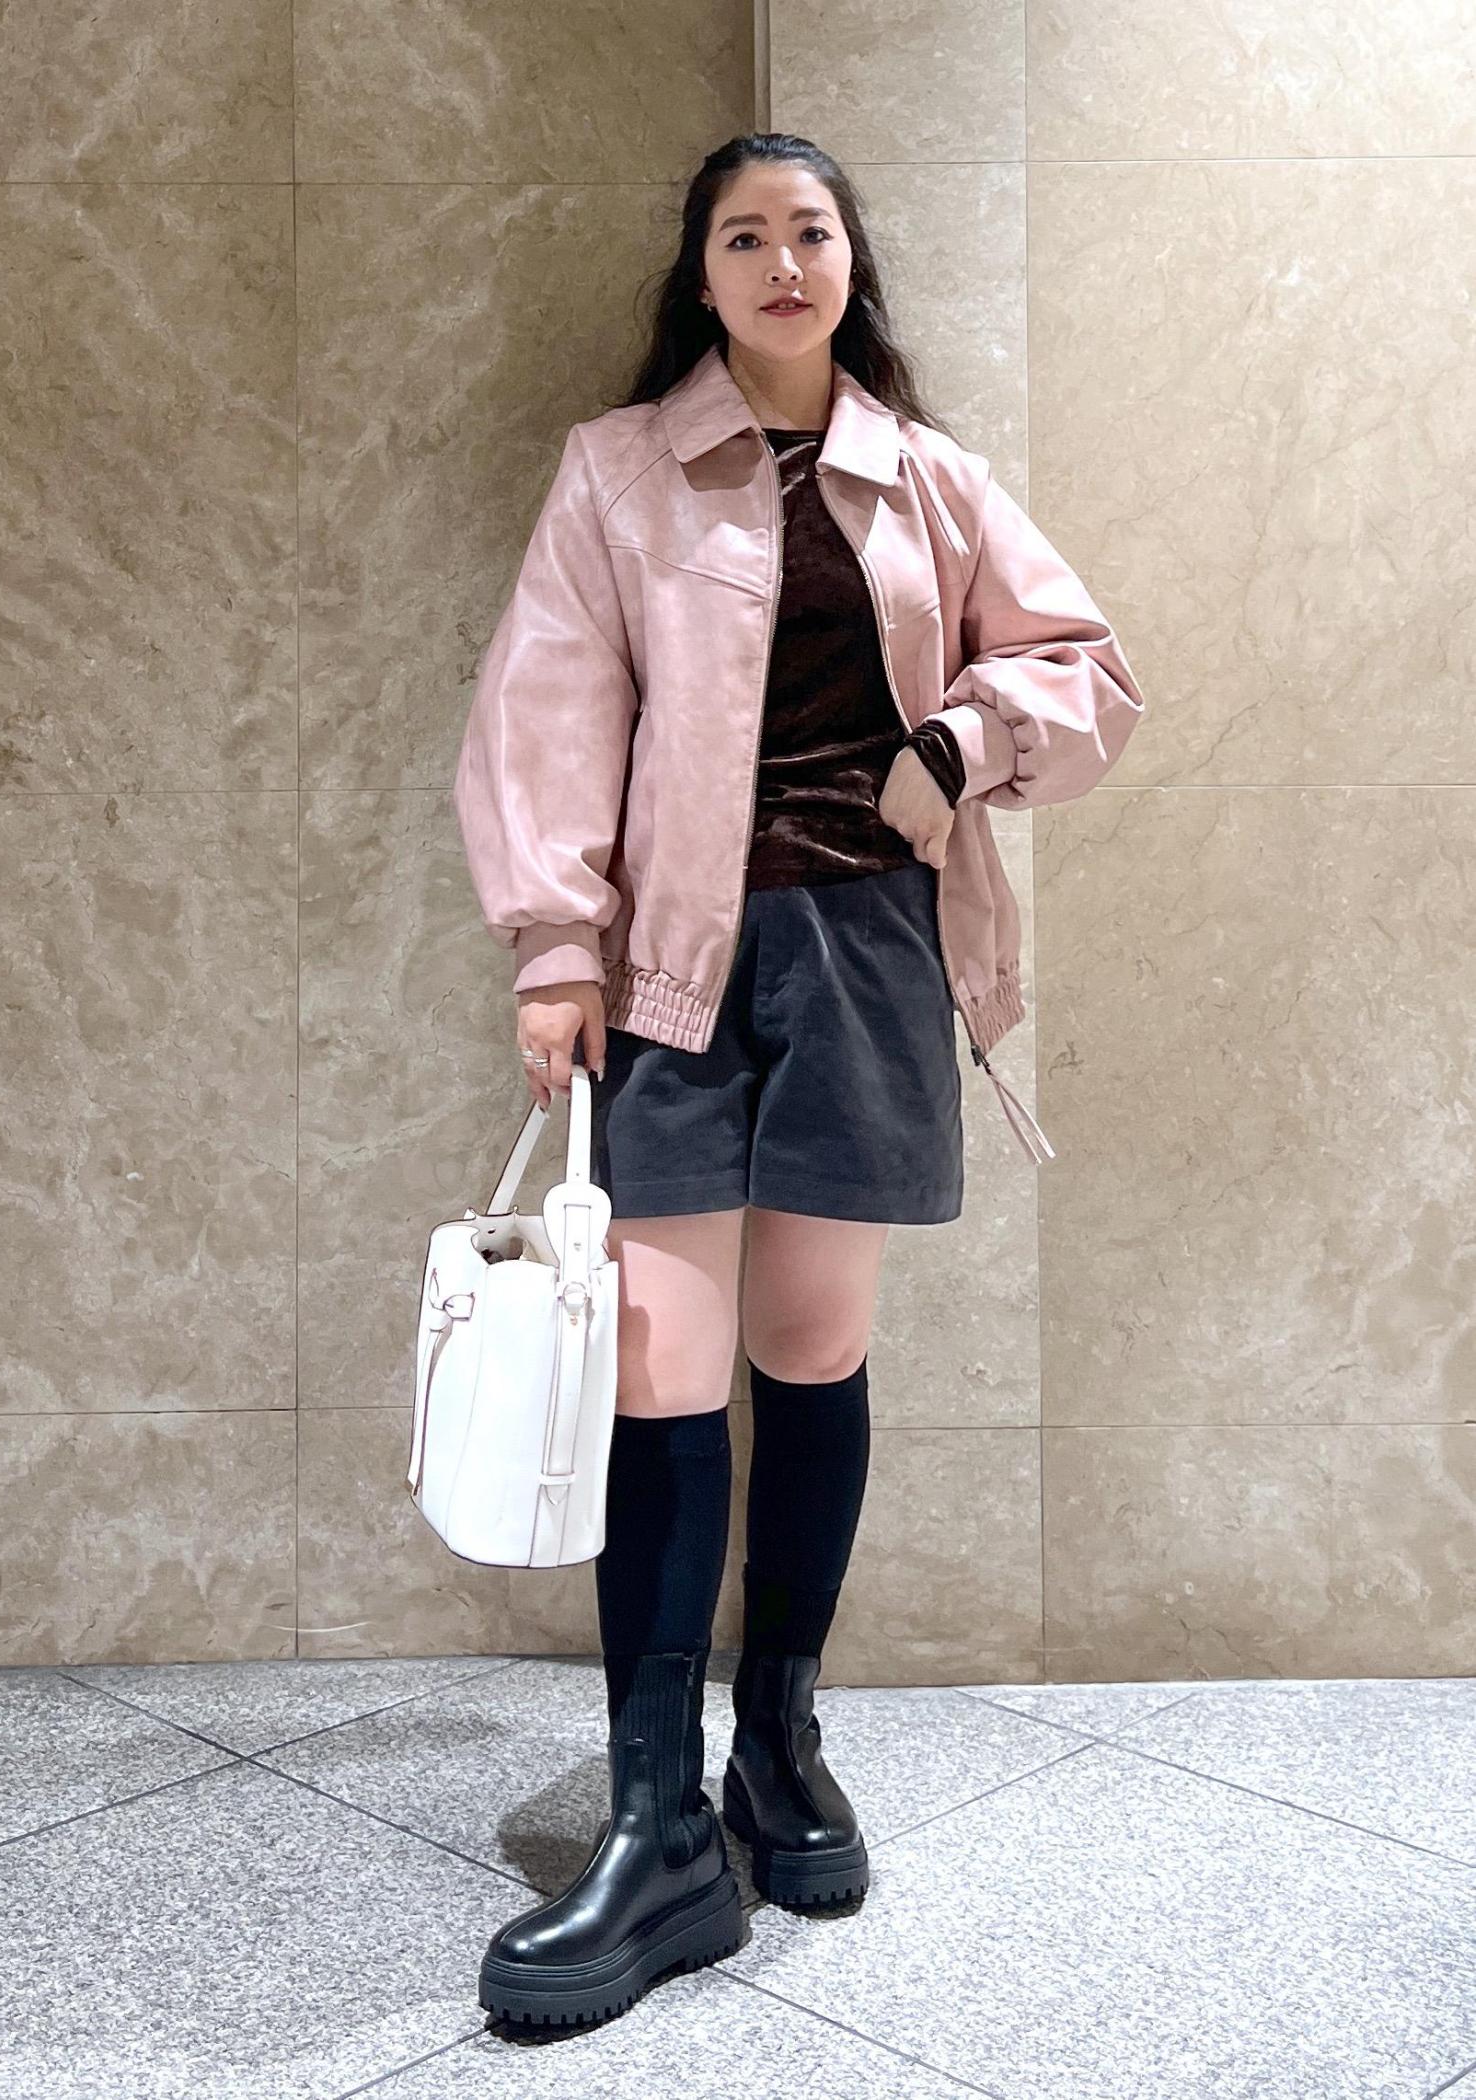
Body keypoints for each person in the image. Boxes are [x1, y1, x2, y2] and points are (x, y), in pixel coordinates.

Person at [453, 130, 1146, 2030]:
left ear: (850, 263)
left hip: (869, 961)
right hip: (676, 966)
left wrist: (960, 740)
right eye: (743, 234)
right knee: (661, 1367)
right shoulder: (619, 470)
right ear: (701, 273)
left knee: (813, 1349)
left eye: (810, 231)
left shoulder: (928, 477)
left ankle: (779, 1740)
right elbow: (546, 703)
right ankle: (657, 1821)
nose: (780, 261)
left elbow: (1086, 670)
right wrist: (555, 946)